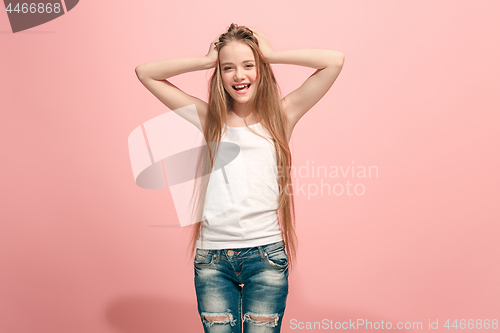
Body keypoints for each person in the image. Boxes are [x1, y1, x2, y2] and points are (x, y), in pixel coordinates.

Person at [135, 23, 344, 333]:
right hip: (213, 261)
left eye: (249, 65)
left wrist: (271, 54)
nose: (239, 75)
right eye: (227, 68)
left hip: (266, 257)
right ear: (219, 74)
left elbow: (334, 61)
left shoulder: (281, 116)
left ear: (262, 68)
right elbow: (145, 72)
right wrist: (206, 61)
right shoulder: (209, 120)